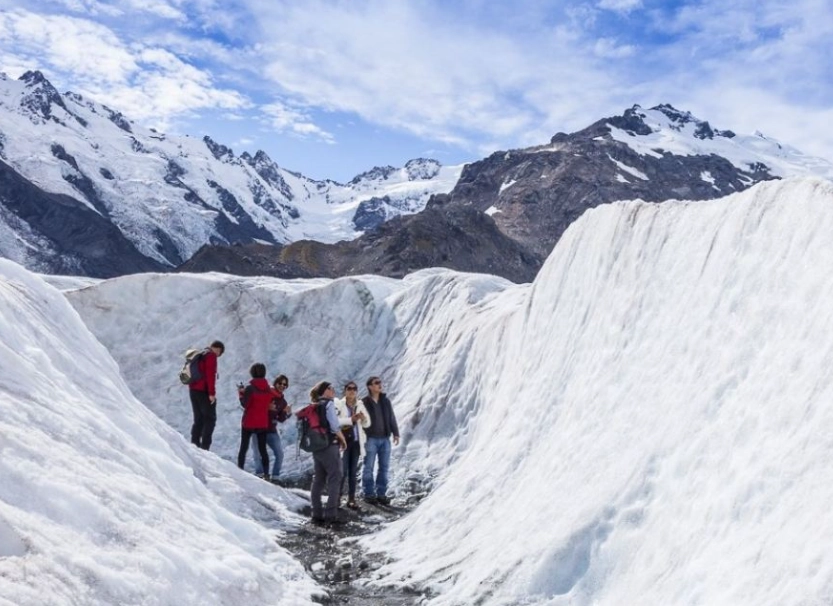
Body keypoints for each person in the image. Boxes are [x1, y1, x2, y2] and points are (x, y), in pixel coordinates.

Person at [303, 381, 347, 525]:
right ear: (323, 391)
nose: (332, 390)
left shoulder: (315, 405)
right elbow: (334, 425)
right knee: (335, 476)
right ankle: (331, 514)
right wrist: (342, 439)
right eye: (329, 388)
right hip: (329, 445)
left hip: (317, 446)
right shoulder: (328, 404)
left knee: (319, 479)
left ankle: (316, 514)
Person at [361, 376, 400, 505]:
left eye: (380, 382)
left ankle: (381, 494)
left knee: (384, 468)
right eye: (376, 383)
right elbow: (360, 422)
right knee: (368, 467)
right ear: (370, 387)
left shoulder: (385, 401)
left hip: (385, 439)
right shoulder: (364, 402)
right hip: (370, 439)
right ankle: (369, 494)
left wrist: (396, 433)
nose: (379, 384)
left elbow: (391, 417)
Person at [335, 381, 371, 509]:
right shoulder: (339, 404)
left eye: (354, 389)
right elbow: (335, 421)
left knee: (352, 472)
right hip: (343, 442)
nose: (352, 391)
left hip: (356, 443)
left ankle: (351, 499)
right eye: (349, 388)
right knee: (342, 471)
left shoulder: (360, 404)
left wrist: (363, 418)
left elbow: (367, 423)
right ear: (345, 391)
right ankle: (337, 498)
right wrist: (351, 420)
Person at [252, 374, 291, 482]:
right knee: (258, 454)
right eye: (280, 383)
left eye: (284, 385)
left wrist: (286, 412)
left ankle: (275, 477)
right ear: (275, 383)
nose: (282, 386)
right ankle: (260, 475)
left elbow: (281, 419)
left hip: (271, 430)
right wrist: (266, 406)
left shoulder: (282, 401)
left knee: (279, 454)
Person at [236, 363, 272, 480]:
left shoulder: (250, 388)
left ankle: (239, 470)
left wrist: (241, 393)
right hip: (262, 422)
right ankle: (266, 474)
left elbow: (245, 404)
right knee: (263, 449)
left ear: (252, 373)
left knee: (244, 447)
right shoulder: (268, 389)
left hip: (249, 422)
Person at [188, 340, 224, 450]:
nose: (218, 355)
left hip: (193, 390)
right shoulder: (211, 356)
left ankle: (194, 444)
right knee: (210, 419)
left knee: (198, 418)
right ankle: (205, 447)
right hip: (203, 391)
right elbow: (210, 375)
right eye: (219, 353)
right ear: (218, 349)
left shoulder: (201, 354)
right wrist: (211, 393)